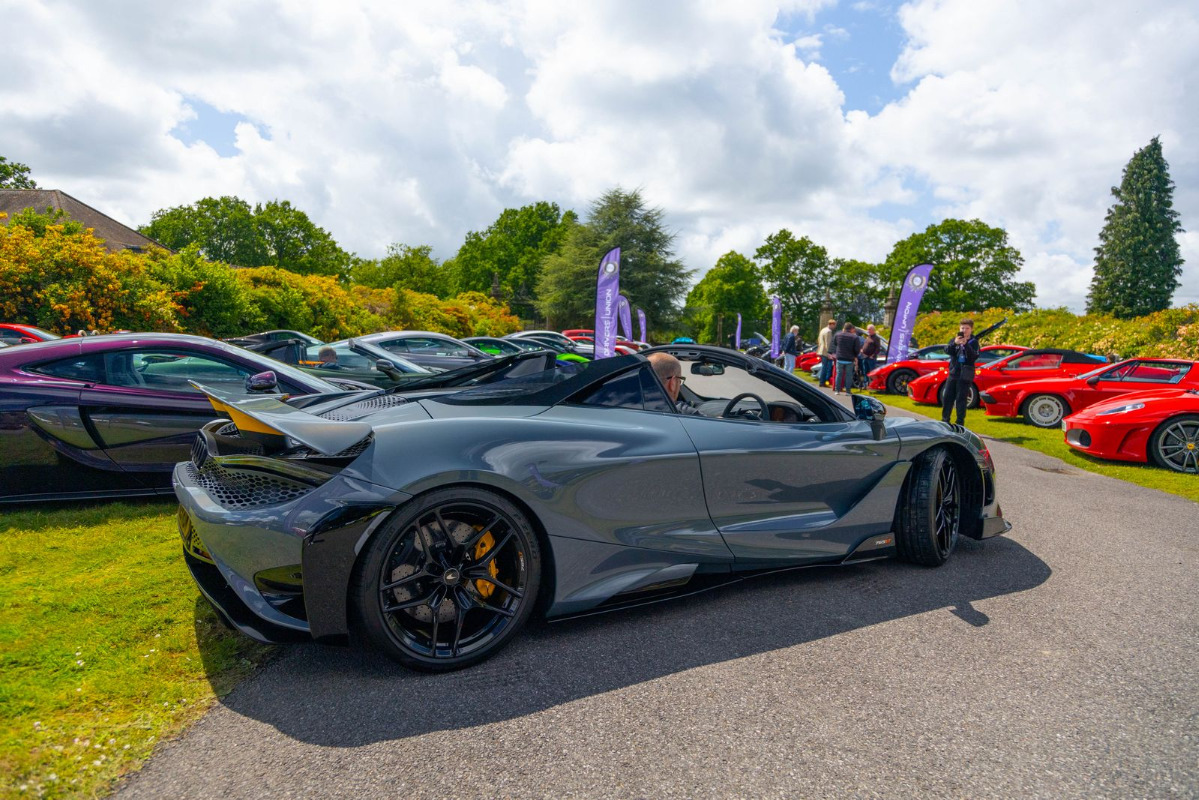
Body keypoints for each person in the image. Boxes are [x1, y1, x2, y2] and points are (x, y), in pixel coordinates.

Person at [942, 318, 981, 425]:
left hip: (965, 375)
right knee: (947, 397)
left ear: (971, 329)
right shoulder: (954, 340)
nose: (964, 330)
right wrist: (955, 344)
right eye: (962, 328)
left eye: (967, 328)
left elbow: (974, 356)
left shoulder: (974, 342)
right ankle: (945, 420)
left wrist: (966, 345)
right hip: (953, 373)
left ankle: (960, 422)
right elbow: (947, 350)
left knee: (961, 399)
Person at [831, 322, 861, 395]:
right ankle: (848, 391)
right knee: (848, 375)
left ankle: (837, 390)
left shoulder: (838, 334)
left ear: (844, 328)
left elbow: (835, 343)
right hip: (849, 359)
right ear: (851, 329)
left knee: (839, 374)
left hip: (840, 357)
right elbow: (857, 349)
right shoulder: (855, 337)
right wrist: (855, 356)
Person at [816, 318, 836, 387]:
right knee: (826, 368)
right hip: (826, 352)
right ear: (831, 324)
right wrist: (829, 353)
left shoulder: (823, 330)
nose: (834, 327)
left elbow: (819, 340)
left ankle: (822, 382)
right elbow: (828, 343)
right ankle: (823, 382)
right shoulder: (828, 331)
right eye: (834, 325)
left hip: (821, 350)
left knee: (824, 367)